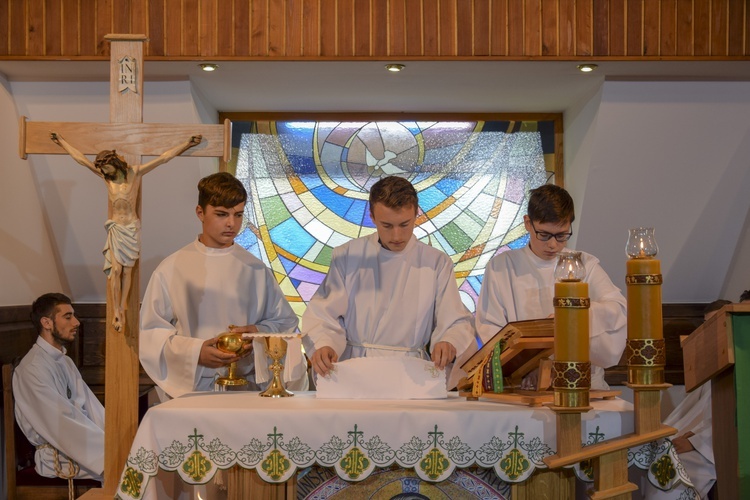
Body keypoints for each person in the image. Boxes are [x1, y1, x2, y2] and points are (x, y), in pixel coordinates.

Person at [139, 172, 306, 401]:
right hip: (194, 387)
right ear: (200, 213)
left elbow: (286, 323)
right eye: (221, 214)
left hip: (246, 389)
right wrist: (197, 353)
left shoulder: (255, 269)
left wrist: (256, 333)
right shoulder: (171, 268)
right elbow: (151, 334)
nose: (231, 223)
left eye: (238, 215)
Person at [301, 175, 476, 389]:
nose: (397, 235)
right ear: (372, 216)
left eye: (405, 224)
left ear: (416, 213)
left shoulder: (436, 262)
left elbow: (455, 319)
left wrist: (448, 341)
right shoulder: (348, 256)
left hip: (412, 374)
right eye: (387, 225)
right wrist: (325, 344)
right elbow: (323, 314)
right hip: (355, 370)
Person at [475, 184, 627, 390]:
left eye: (562, 235)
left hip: (583, 383)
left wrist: (572, 317)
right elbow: (490, 327)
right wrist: (528, 365)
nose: (553, 245)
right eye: (544, 235)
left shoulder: (585, 264)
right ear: (528, 223)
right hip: (524, 383)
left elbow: (618, 308)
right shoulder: (502, 267)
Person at [50, 132, 202, 332]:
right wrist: (62, 142)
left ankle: (124, 306)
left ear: (114, 162)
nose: (105, 171)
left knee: (128, 271)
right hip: (116, 228)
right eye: (102, 169)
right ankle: (116, 311)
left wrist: (186, 144)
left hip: (131, 229)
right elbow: (81, 160)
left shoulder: (135, 174)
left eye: (106, 167)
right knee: (115, 271)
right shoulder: (107, 180)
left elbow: (164, 158)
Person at [638, 299, 728, 499]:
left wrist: (696, 442)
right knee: (652, 454)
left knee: (673, 471)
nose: (709, 333)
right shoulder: (714, 362)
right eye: (706, 326)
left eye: (716, 325)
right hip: (701, 438)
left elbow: (734, 421)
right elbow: (695, 412)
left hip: (715, 450)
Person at [12, 293, 105, 482]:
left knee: (137, 459)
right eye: (68, 316)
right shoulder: (32, 369)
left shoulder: (65, 361)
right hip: (59, 458)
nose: (77, 322)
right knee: (129, 469)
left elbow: (92, 408)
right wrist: (108, 450)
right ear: (46, 322)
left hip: (81, 447)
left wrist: (117, 438)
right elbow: (60, 423)